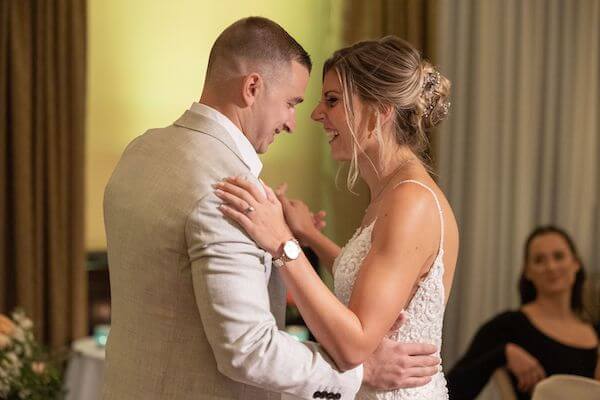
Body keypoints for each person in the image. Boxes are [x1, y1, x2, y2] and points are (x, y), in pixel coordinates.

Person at [103, 18, 441, 400]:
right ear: (252, 87)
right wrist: (359, 375)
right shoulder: (229, 190)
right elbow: (248, 349)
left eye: (329, 101)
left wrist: (292, 240)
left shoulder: (141, 151)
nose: (296, 122)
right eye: (291, 102)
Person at [215, 35, 459, 399]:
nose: (315, 114)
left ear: (379, 111)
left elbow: (353, 345)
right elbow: (368, 275)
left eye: (332, 101)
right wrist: (307, 236)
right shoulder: (393, 192)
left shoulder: (412, 202)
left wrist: (283, 243)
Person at [447, 226, 600, 400]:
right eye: (539, 260)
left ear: (576, 264)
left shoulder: (596, 330)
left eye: (558, 256)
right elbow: (451, 390)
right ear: (527, 271)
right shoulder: (507, 327)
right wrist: (502, 354)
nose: (551, 266)